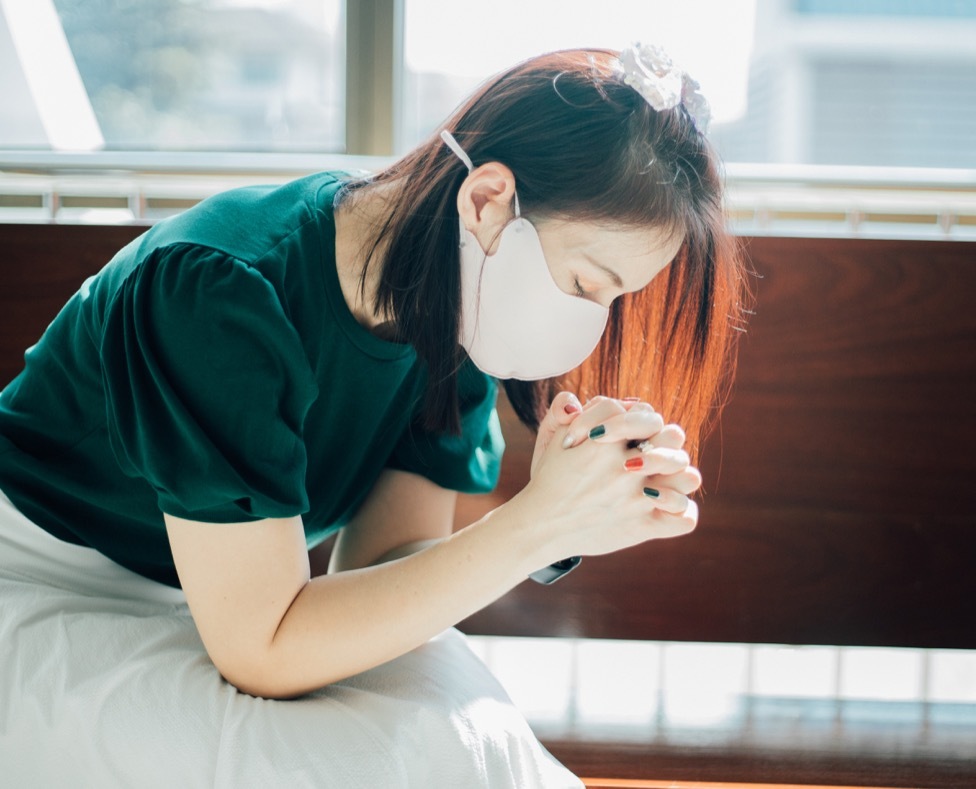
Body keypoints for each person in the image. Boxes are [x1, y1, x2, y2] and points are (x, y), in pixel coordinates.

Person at [0, 45, 748, 786]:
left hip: (217, 613)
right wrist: (535, 527)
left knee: (466, 735)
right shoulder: (219, 292)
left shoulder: (452, 311)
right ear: (487, 201)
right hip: (44, 590)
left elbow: (384, 574)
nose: (590, 324)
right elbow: (265, 648)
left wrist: (564, 509)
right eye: (589, 282)